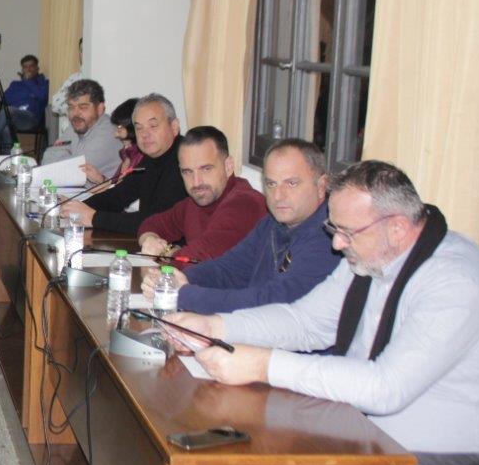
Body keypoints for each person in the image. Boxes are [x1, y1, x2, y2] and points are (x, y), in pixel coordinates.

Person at [165, 161, 479, 465]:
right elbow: (305, 321)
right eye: (335, 229)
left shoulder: (454, 282)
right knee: (245, 454)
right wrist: (216, 326)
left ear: (398, 228)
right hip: (366, 434)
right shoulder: (371, 253)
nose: (337, 244)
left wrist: (263, 364)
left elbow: (385, 388)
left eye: (346, 232)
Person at [141, 138, 338, 313]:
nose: (278, 195)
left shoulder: (330, 239)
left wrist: (186, 294)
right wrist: (178, 279)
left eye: (291, 183)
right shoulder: (272, 223)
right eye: (271, 184)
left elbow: (273, 303)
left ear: (321, 185)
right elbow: (229, 269)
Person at [133, 126, 266, 264]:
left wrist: (166, 252)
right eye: (187, 172)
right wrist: (150, 240)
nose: (196, 182)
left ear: (228, 166)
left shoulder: (245, 204)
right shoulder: (195, 202)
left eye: (206, 169)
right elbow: (151, 224)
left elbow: (199, 260)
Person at [60, 93, 187, 234]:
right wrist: (74, 208)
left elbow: (157, 220)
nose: (145, 134)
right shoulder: (150, 158)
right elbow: (118, 195)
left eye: (153, 125)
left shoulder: (186, 161)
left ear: (174, 126)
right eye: (139, 128)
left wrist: (94, 218)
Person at [40, 78, 122, 183]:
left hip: (99, 193)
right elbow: (47, 160)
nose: (75, 113)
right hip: (71, 190)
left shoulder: (109, 133)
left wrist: (66, 152)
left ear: (100, 109)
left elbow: (73, 171)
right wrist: (68, 156)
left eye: (83, 107)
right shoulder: (77, 124)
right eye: (71, 107)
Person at [0, 55, 49, 151]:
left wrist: (27, 82)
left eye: (31, 66)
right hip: (14, 118)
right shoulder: (15, 84)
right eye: (25, 67)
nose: (28, 69)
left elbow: (42, 97)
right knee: (6, 127)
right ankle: (9, 157)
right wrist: (30, 96)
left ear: (37, 68)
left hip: (31, 119)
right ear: (22, 69)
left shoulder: (42, 82)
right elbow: (5, 100)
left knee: (9, 110)